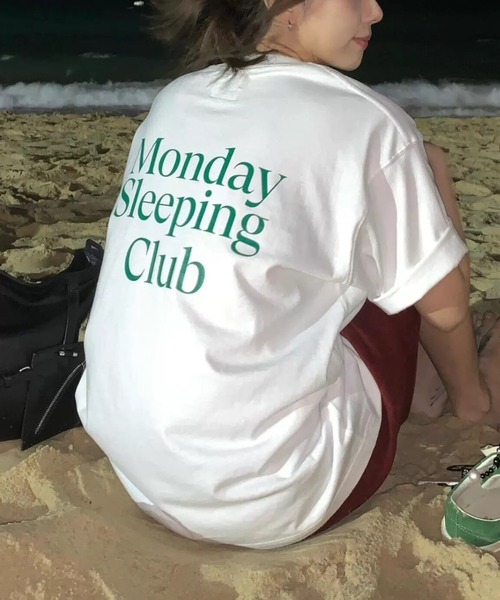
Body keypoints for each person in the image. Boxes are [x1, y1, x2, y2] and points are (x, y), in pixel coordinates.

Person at [75, 0, 500, 549]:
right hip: (279, 492)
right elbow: (445, 306)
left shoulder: (176, 98)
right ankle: (443, 395)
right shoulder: (363, 118)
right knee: (399, 248)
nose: (376, 12)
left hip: (141, 472)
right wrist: (432, 173)